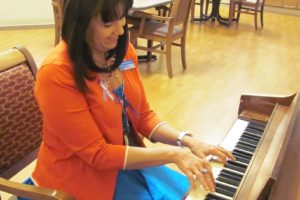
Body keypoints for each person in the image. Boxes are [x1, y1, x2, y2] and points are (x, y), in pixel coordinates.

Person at [27, 0, 235, 199]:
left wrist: (187, 141)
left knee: (191, 190)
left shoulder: (122, 51)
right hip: (77, 178)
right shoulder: (57, 73)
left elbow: (142, 115)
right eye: (108, 22)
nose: (119, 31)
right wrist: (173, 155)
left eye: (122, 17)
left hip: (121, 163)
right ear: (80, 22)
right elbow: (97, 155)